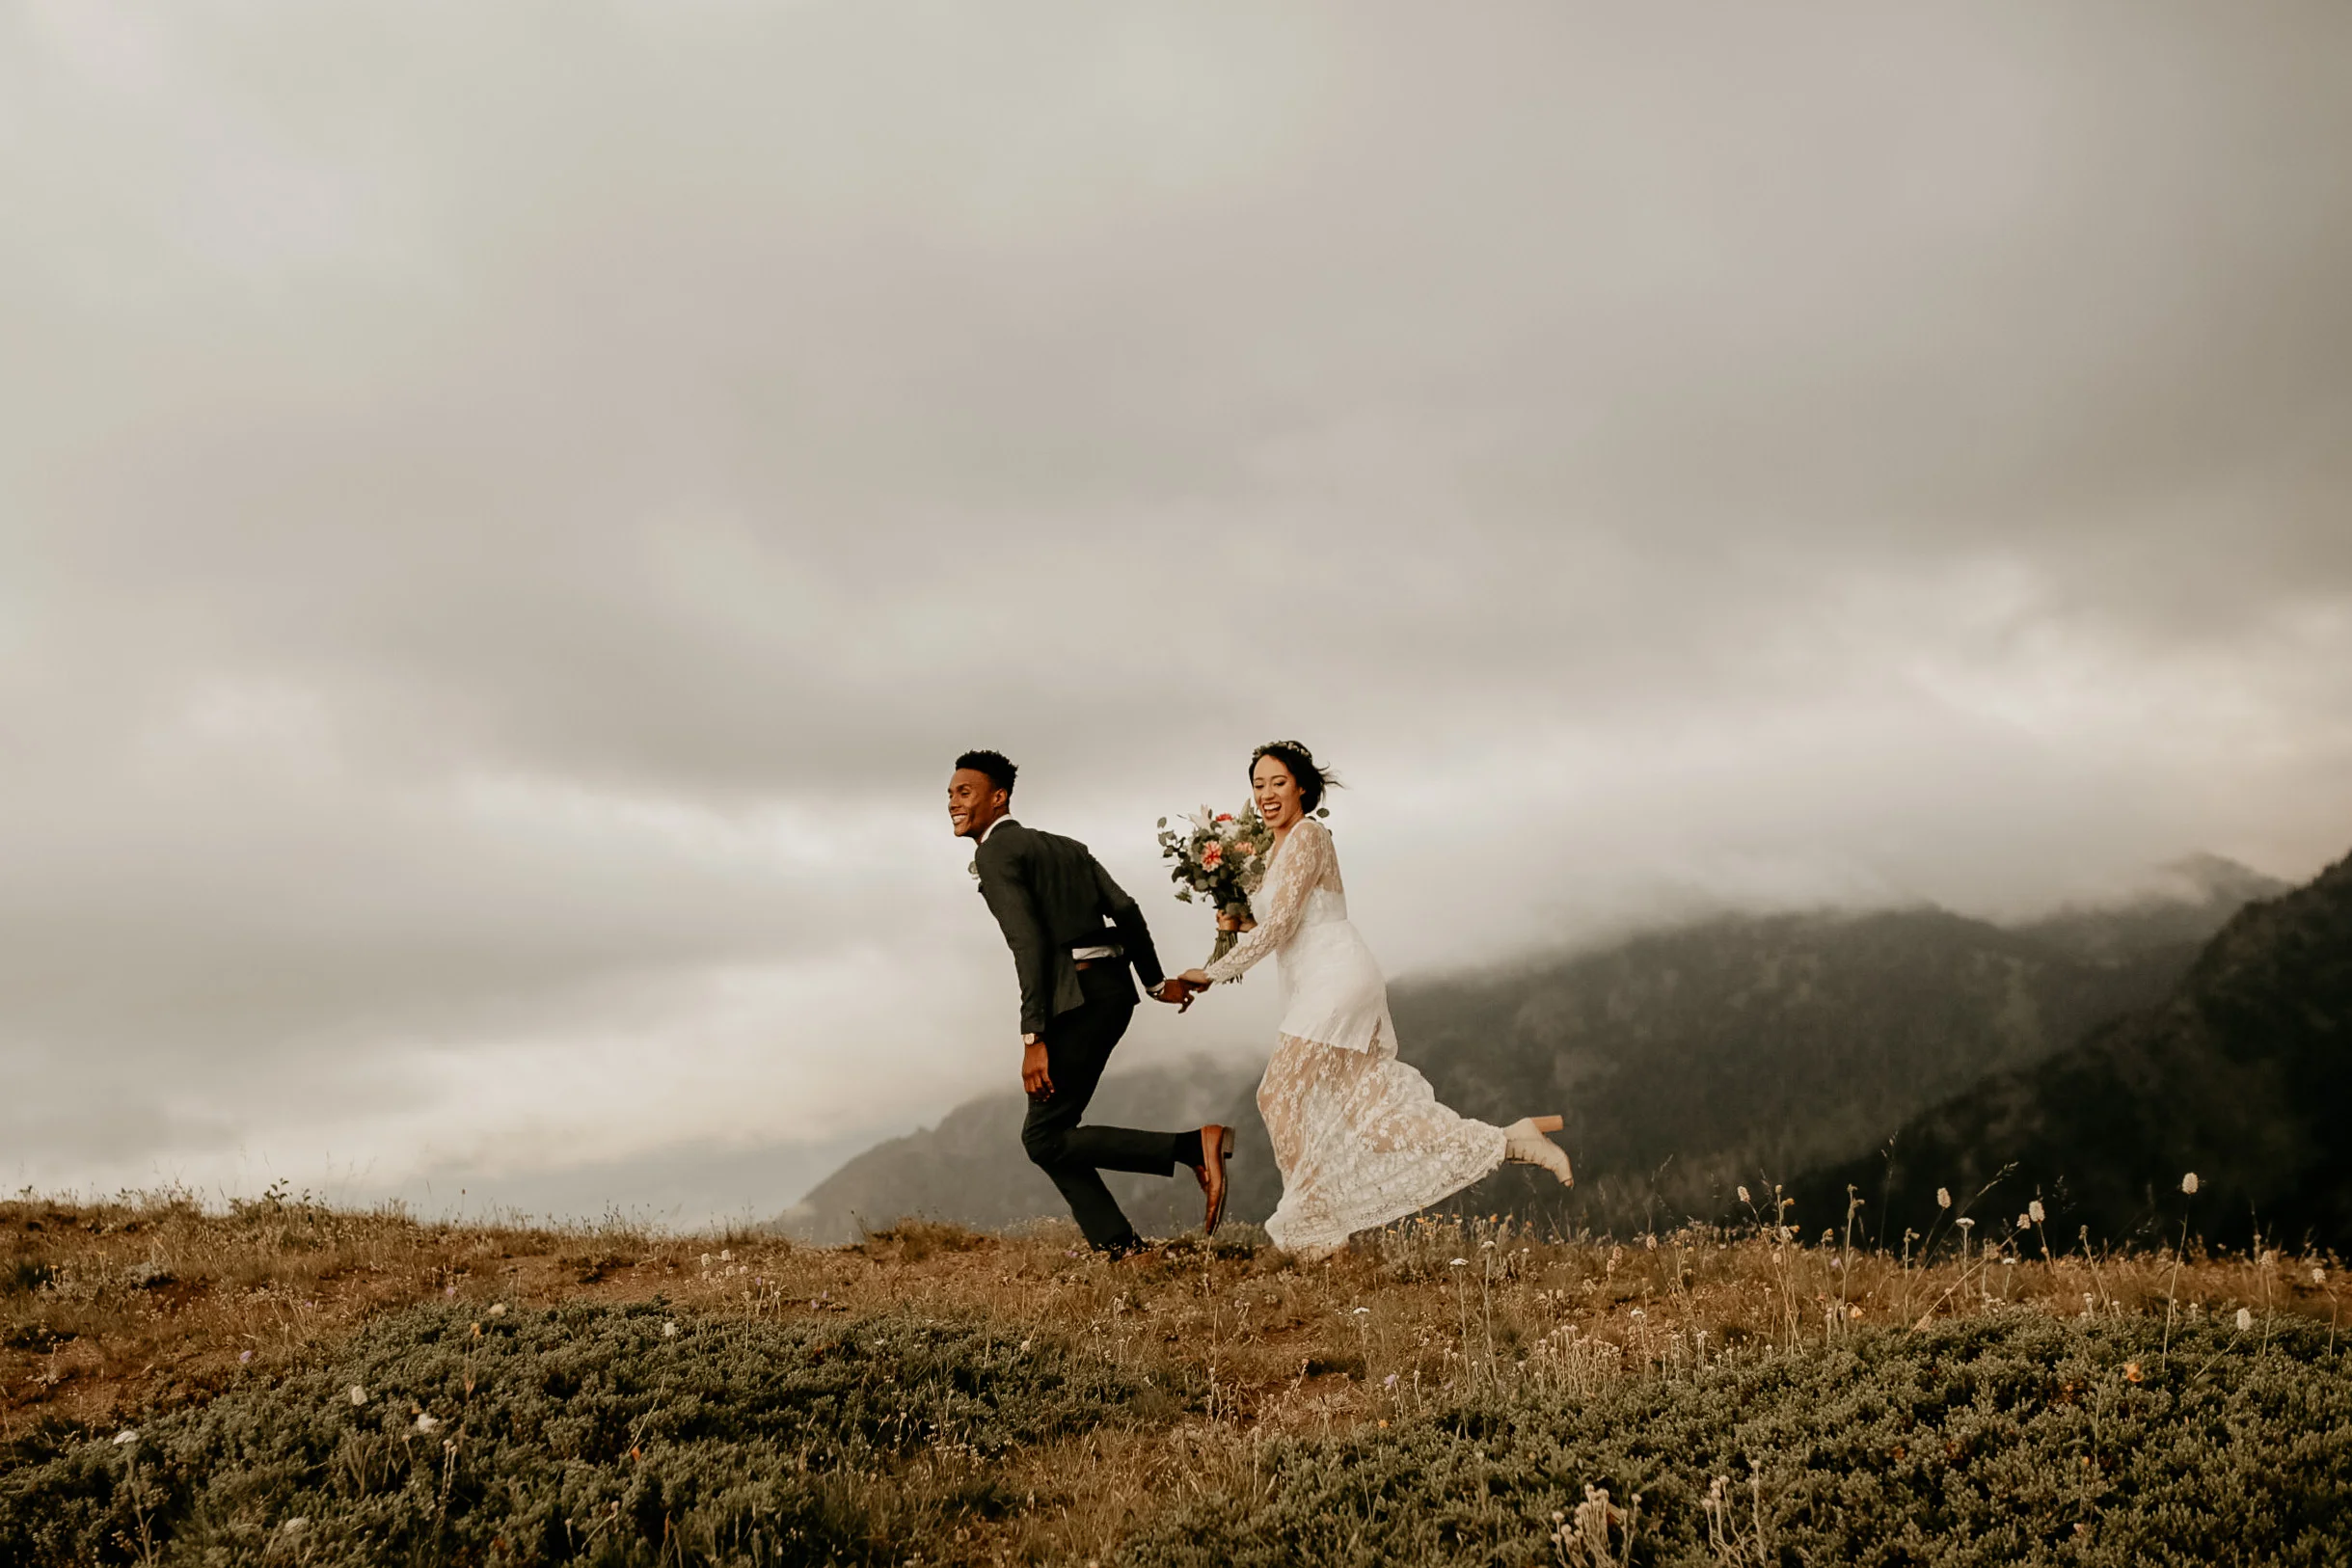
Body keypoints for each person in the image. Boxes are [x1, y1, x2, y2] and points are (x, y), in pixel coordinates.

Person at [1177, 741, 1573, 1261]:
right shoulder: (1277, 848)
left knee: (1277, 1094)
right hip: (1320, 979)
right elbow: (1288, 920)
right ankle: (1511, 1140)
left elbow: (1283, 924)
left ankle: (1315, 1231)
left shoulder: (1308, 835)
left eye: (1278, 783)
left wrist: (1213, 971)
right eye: (1258, 785)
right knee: (1372, 1119)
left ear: (1301, 787)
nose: (1267, 794)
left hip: (1336, 979)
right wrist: (1238, 922)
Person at [950, 749, 1233, 1256]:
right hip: (1112, 995)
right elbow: (1126, 909)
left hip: (1076, 1001)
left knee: (1044, 1138)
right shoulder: (1068, 847)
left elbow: (1028, 945)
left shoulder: (994, 854)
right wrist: (1154, 983)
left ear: (999, 798)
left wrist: (1033, 1036)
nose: (953, 802)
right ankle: (1121, 1248)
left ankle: (1193, 1148)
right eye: (950, 794)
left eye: (964, 792)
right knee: (1051, 1136)